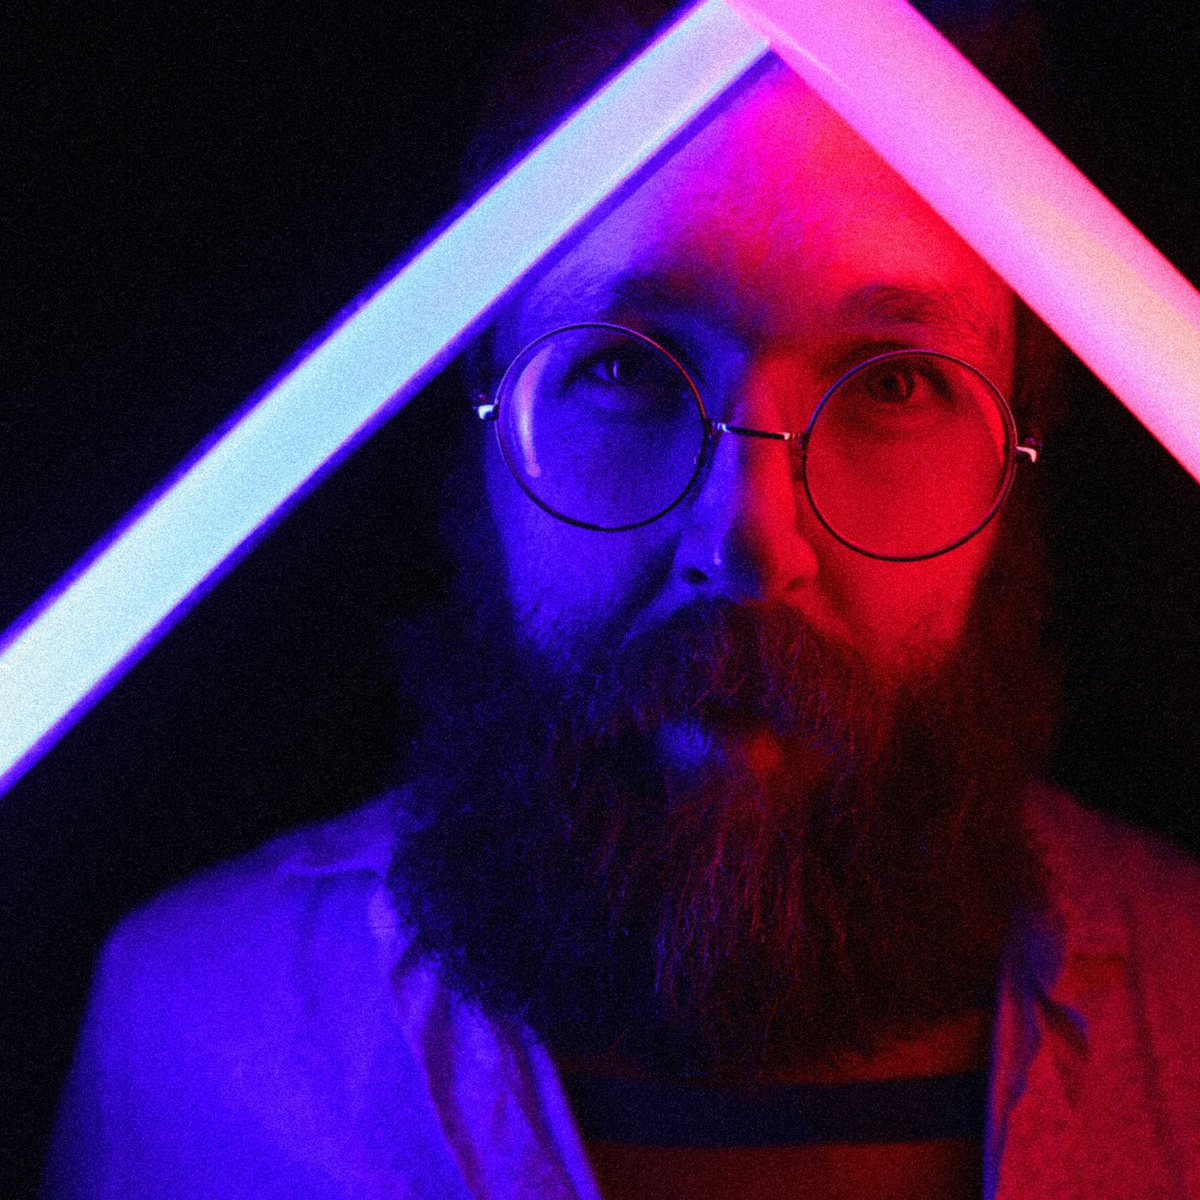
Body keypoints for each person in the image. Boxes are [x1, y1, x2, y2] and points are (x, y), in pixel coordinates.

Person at [40, 3, 1200, 1198]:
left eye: (894, 383)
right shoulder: (197, 1039)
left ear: (1023, 444)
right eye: (621, 367)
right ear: (483, 408)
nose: (750, 544)